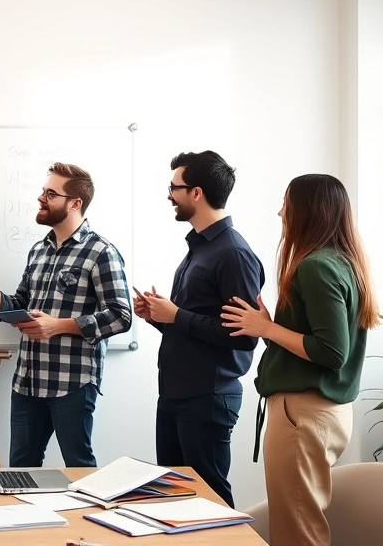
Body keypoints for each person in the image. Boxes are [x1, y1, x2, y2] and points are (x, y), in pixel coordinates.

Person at [222, 174, 378, 545]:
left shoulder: (315, 266)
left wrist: (267, 329)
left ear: (307, 211)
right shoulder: (343, 263)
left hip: (303, 415)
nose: (280, 212)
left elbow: (332, 352)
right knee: (302, 523)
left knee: (297, 532)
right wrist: (269, 327)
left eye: (286, 204)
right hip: (322, 412)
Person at [0, 162, 131, 468]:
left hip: (72, 382)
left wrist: (58, 326)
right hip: (28, 381)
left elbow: (121, 316)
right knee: (21, 470)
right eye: (43, 191)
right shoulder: (38, 251)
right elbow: (20, 304)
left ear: (75, 203)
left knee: (80, 468)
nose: (41, 198)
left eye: (50, 194)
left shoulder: (100, 252)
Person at [133, 150, 264, 508]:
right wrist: (160, 316)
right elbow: (194, 324)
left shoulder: (233, 253)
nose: (169, 195)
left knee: (209, 500)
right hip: (177, 393)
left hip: (207, 397)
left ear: (196, 193)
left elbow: (245, 335)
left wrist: (176, 315)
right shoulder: (198, 248)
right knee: (174, 500)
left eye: (174, 187)